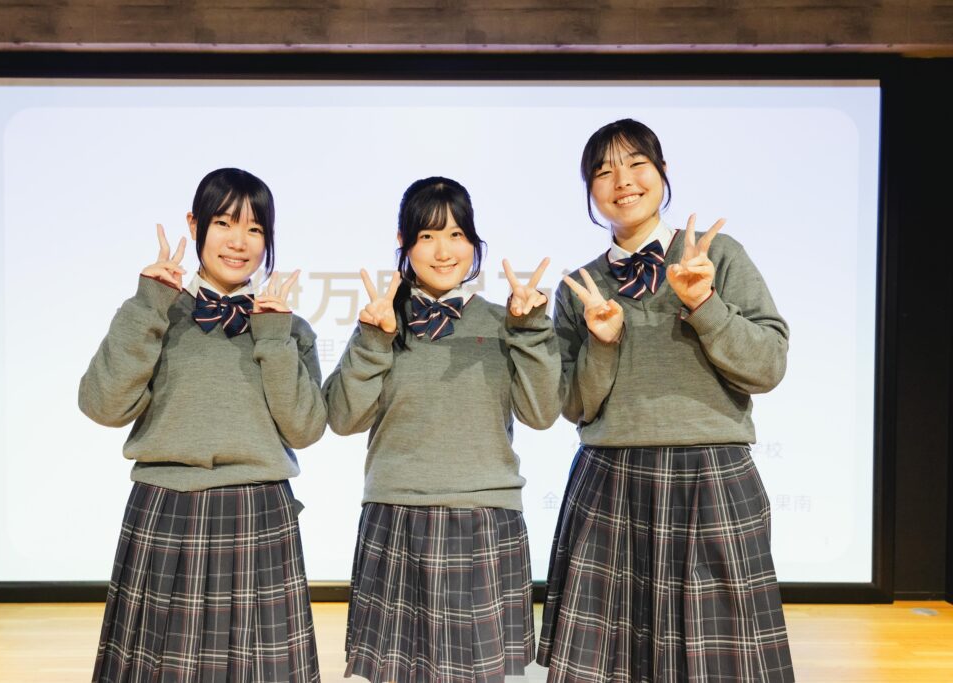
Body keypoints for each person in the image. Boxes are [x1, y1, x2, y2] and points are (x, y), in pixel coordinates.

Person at [536, 119, 794, 682]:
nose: (622, 181)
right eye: (603, 172)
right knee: (608, 663)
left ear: (662, 172)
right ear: (589, 190)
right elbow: (573, 405)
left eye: (636, 164)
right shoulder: (581, 286)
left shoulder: (716, 256)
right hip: (610, 477)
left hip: (712, 475)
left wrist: (704, 304)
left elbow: (768, 366)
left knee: (719, 659)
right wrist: (603, 344)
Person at [80, 167, 325, 683]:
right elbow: (103, 405)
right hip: (167, 508)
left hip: (259, 511)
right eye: (224, 223)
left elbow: (304, 429)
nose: (239, 242)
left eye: (255, 229)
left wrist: (273, 336)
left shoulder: (288, 328)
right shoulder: (157, 312)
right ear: (195, 225)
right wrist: (149, 304)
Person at [323, 176, 561, 683]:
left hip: (484, 518)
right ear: (404, 243)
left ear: (474, 242)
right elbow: (343, 419)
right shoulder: (382, 321)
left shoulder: (505, 321)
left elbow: (541, 413)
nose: (443, 250)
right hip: (397, 515)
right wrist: (373, 340)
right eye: (427, 235)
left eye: (456, 234)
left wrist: (530, 330)